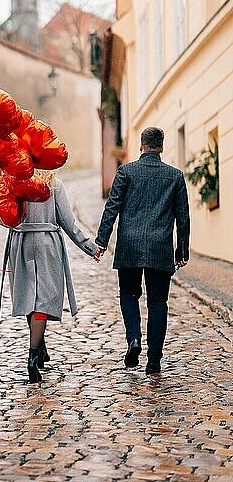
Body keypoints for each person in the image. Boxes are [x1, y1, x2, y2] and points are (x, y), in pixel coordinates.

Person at [0, 172, 102, 384]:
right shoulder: (54, 184)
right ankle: (33, 356)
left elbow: (4, 218)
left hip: (21, 243)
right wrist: (90, 247)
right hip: (47, 244)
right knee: (42, 301)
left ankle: (40, 348)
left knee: (30, 296)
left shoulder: (13, 182)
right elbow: (68, 222)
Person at [95, 127, 190, 375]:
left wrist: (102, 241)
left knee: (129, 294)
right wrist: (182, 251)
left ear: (141, 146)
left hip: (129, 246)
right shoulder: (175, 176)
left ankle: (134, 339)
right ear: (161, 147)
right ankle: (154, 359)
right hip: (160, 248)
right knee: (158, 301)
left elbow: (111, 208)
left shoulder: (126, 172)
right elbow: (183, 218)